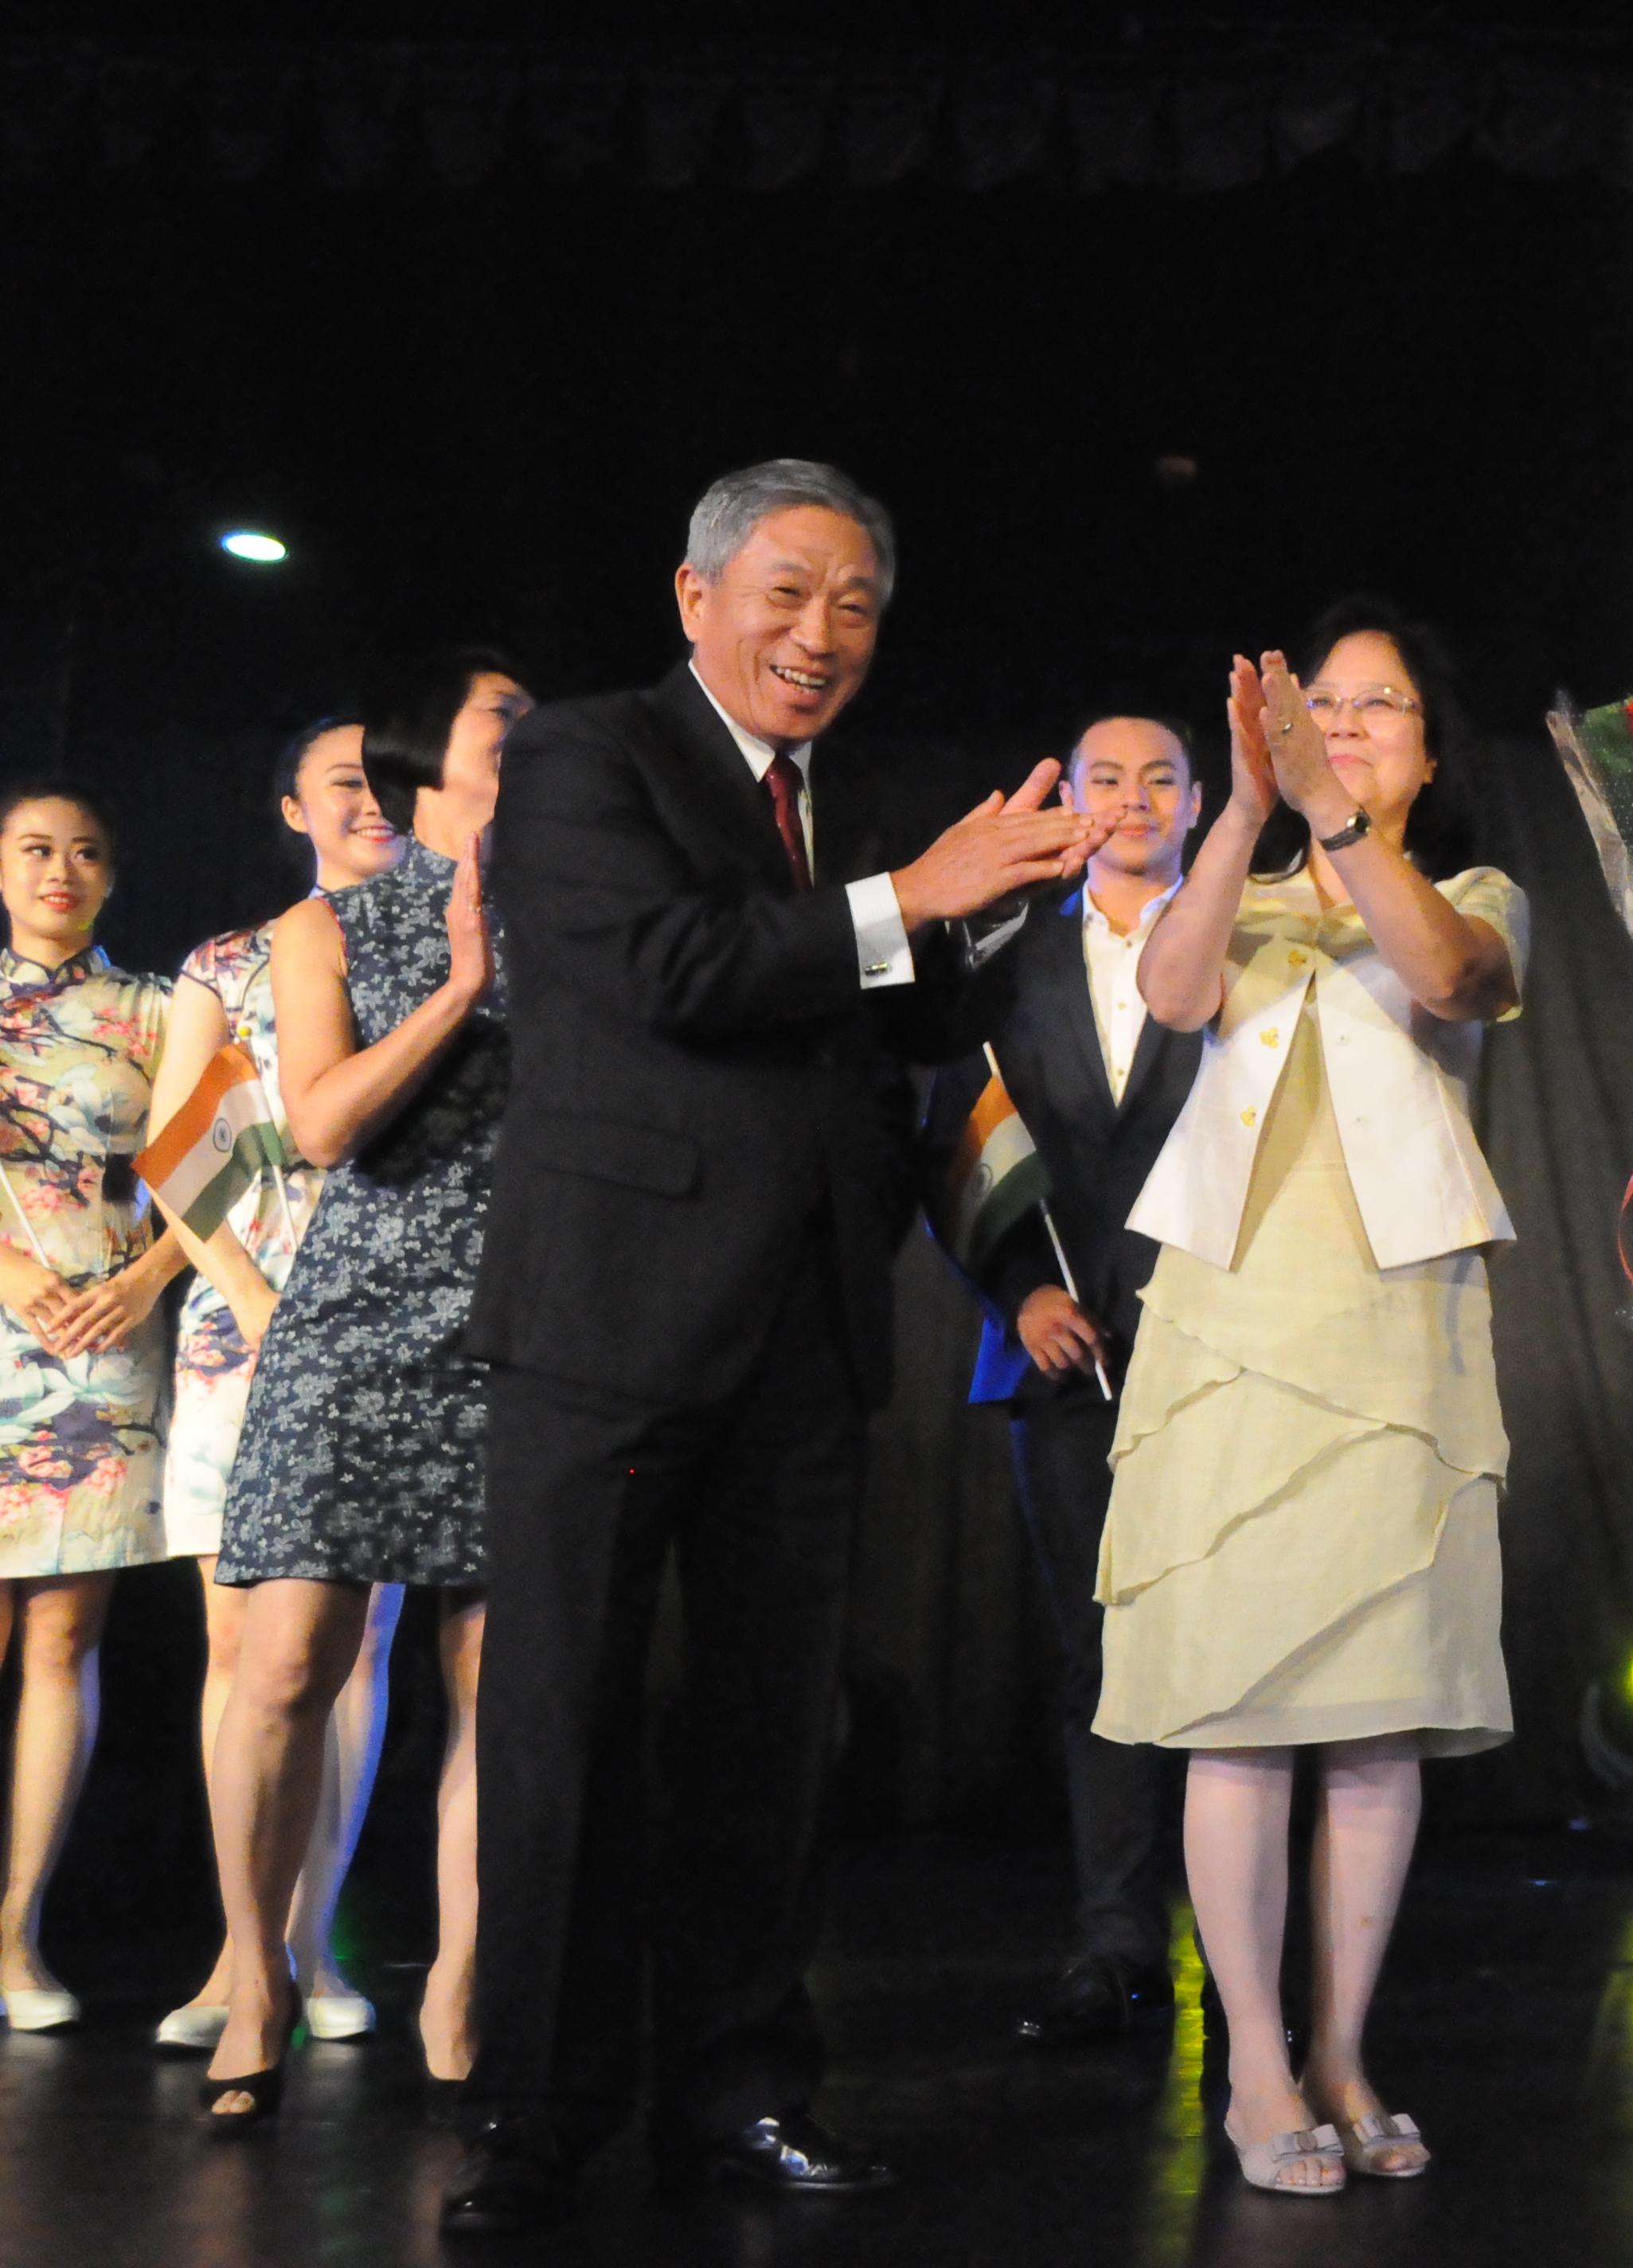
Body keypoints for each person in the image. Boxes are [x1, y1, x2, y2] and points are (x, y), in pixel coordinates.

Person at [445, 461, 1095, 2235]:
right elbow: (669, 966)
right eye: (787, 594)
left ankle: (737, 2093)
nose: (822, 636)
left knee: (768, 1740)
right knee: (564, 1730)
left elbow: (905, 1026)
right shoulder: (583, 756)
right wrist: (912, 893)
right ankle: (532, 2119)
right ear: (693, 596)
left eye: (858, 605)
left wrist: (994, 904)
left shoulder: (864, 803)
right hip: (604, 1322)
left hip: (806, 1324)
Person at [1100, 600, 1519, 2197]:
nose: (1342, 723)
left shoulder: (1473, 893)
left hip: (1395, 1323)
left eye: (1376, 704)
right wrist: (1243, 816)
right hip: (1229, 1321)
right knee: (1237, 1705)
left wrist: (1337, 826)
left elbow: (1445, 974)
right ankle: (1254, 2060)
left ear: (1425, 743)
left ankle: (1343, 2043)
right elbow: (1174, 986)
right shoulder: (1256, 885)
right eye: (1320, 704)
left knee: (1370, 1714)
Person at [197, 654, 530, 2129]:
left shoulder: (575, 922)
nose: (531, 746)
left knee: (492, 1686)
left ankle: (462, 1972)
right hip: (353, 1319)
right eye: (500, 730)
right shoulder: (320, 924)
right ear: (425, 773)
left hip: (521, 1322)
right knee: (283, 1668)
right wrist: (462, 986)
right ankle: (258, 1969)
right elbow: (324, 1121)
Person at [918, 716, 1205, 2046]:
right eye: (1107, 777)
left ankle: (1253, 1945)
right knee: (1100, 1654)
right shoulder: (1003, 953)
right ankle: (1114, 1940)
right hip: (1063, 1353)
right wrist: (1014, 1289)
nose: (1134, 797)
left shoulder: (1255, 947)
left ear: (1201, 801)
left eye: (1161, 776)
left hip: (1228, 1350)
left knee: (1238, 1647)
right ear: (1073, 802)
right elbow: (950, 1138)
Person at [147, 719, 398, 2060]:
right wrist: (250, 1298)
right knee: (239, 1651)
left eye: (383, 779)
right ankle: (243, 1952)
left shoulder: (437, 950)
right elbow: (175, 1150)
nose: (367, 801)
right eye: (342, 781)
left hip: (384, 1338)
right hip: (241, 1339)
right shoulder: (226, 963)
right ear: (291, 802)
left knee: (352, 1649)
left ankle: (319, 1940)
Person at [0, 784, 182, 2035]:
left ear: (114, 873)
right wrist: (16, 1277)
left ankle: (16, 1937)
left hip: (110, 1342)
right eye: (33, 849)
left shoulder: (163, 1011)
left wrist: (146, 1279)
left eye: (85, 851)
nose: (61, 869)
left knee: (65, 1646)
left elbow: (232, 1161)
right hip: (4, 1312)